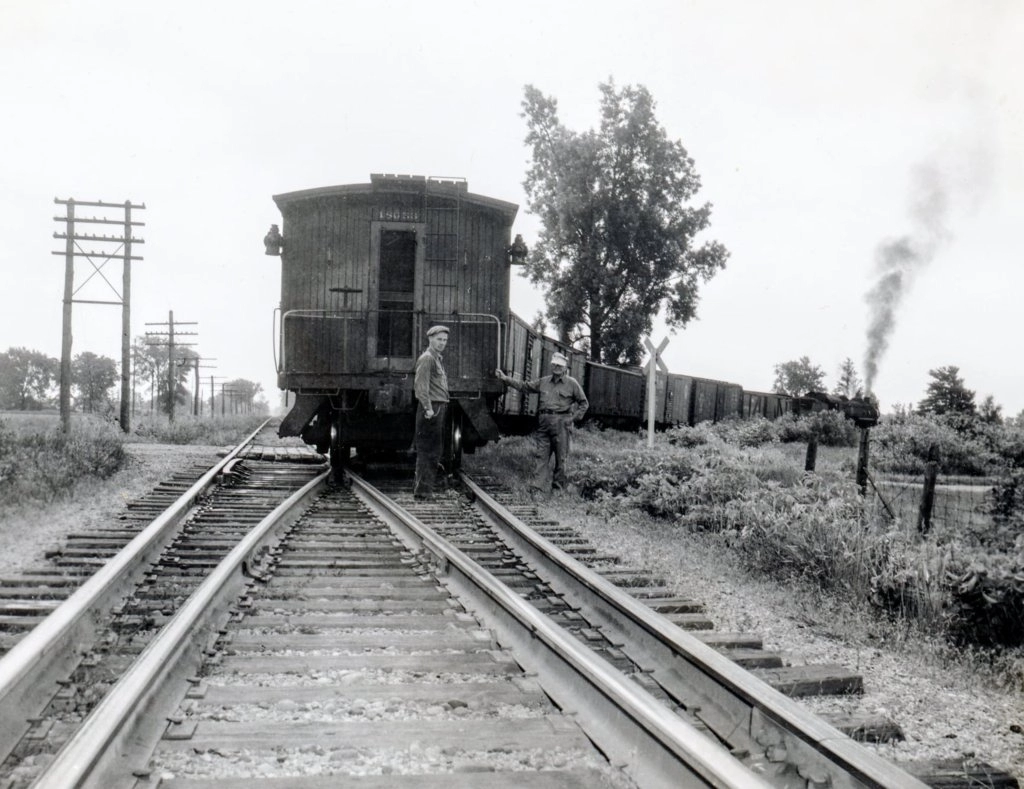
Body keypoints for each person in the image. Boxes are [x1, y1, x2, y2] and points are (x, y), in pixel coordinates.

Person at [495, 352, 588, 493]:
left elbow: (584, 403)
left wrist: (573, 418)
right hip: (544, 424)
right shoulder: (544, 381)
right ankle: (536, 488)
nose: (556, 367)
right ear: (552, 365)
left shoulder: (572, 384)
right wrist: (505, 378)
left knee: (561, 458)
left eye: (560, 365)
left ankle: (557, 489)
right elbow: (524, 386)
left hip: (561, 424)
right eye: (555, 364)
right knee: (541, 456)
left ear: (565, 368)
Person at [413, 325, 450, 500]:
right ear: (430, 339)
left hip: (437, 407)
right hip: (431, 409)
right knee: (427, 450)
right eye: (439, 339)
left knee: (434, 450)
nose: (442, 343)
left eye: (444, 340)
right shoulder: (427, 358)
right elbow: (421, 387)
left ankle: (425, 491)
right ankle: (422, 492)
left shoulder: (436, 358)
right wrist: (428, 408)